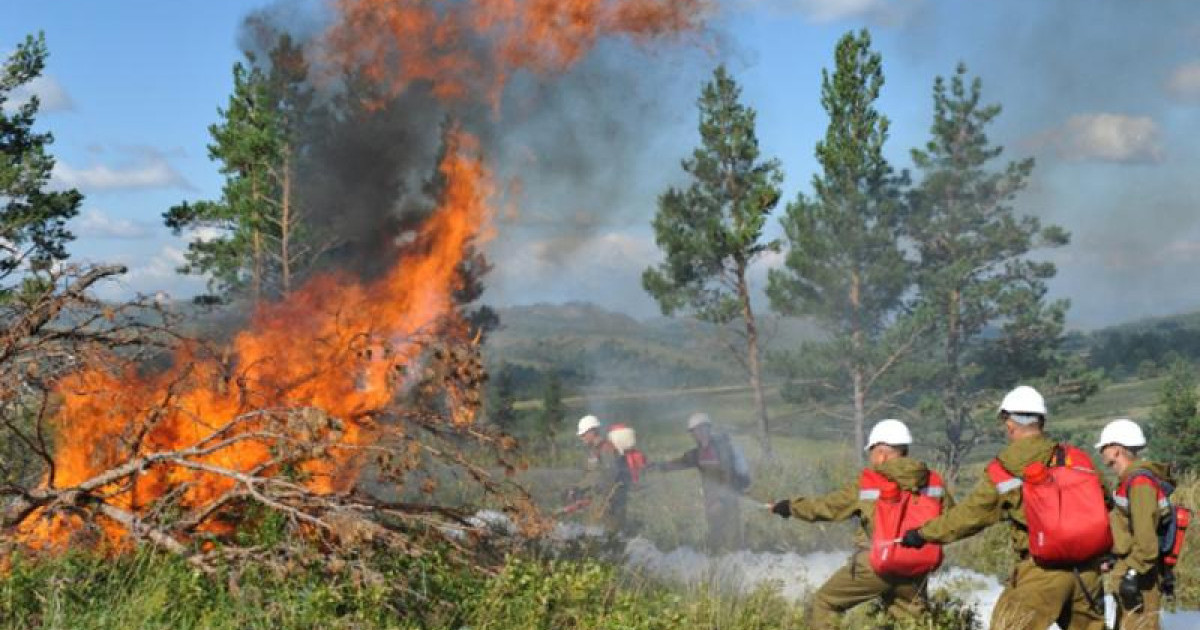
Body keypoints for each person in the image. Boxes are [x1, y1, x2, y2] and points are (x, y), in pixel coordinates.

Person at [899, 385, 1109, 630]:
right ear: (1041, 421)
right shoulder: (1078, 458)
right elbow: (1106, 504)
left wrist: (922, 534)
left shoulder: (1004, 468)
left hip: (1041, 571)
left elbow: (969, 517)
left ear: (1010, 424)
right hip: (1088, 573)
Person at [768, 419, 951, 630]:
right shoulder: (934, 482)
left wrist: (790, 507)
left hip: (876, 566)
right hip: (915, 568)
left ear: (881, 453)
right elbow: (952, 520)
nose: (871, 458)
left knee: (825, 603)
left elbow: (827, 507)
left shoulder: (869, 483)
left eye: (871, 452)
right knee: (912, 624)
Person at [1097, 418, 1177, 630]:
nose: (1101, 452)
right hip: (1131, 571)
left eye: (1103, 447)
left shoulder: (1140, 483)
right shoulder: (1128, 481)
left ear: (1117, 450)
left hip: (1140, 576)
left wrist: (1131, 574)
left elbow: (1146, 542)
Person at [653, 412, 749, 552]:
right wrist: (657, 467)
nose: (699, 434)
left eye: (702, 429)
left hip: (727, 497)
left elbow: (727, 474)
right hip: (712, 499)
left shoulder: (722, 449)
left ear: (709, 429)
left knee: (731, 533)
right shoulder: (698, 453)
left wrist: (720, 499)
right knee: (715, 531)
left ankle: (735, 560)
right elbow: (682, 462)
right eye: (695, 431)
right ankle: (716, 561)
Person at [564, 414, 631, 534]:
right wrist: (578, 488)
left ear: (592, 432)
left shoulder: (606, 448)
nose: (581, 437)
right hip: (598, 499)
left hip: (610, 501)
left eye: (583, 434)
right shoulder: (593, 451)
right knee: (596, 531)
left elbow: (611, 473)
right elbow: (591, 474)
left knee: (612, 533)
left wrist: (597, 491)